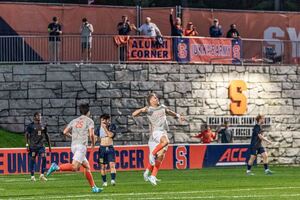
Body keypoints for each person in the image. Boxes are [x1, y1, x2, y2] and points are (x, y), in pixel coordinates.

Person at [46, 104, 102, 193]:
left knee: (87, 166)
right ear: (88, 112)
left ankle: (94, 187)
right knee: (74, 167)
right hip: (81, 146)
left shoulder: (74, 121)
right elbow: (91, 134)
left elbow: (65, 132)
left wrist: (72, 136)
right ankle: (56, 167)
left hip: (74, 146)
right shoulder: (89, 121)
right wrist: (93, 143)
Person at [132, 93, 185, 186]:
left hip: (163, 131)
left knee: (161, 155)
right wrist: (141, 110)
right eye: (154, 98)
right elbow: (134, 114)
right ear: (151, 101)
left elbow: (169, 111)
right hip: (156, 132)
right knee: (165, 142)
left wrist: (178, 115)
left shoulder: (162, 107)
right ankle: (152, 155)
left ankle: (152, 175)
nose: (157, 98)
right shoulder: (149, 109)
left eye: (156, 97)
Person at [25, 112, 51, 182]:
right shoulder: (30, 126)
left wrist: (49, 145)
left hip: (41, 146)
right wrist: (27, 144)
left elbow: (46, 134)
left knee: (44, 157)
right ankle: (32, 176)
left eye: (40, 115)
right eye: (38, 116)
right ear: (34, 117)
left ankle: (42, 175)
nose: (39, 117)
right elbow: (26, 134)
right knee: (32, 160)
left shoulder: (43, 125)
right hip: (33, 146)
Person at [95, 114, 117, 187]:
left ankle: (113, 180)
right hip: (102, 149)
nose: (103, 122)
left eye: (105, 120)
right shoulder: (98, 128)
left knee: (112, 164)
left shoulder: (112, 126)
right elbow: (96, 139)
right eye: (102, 120)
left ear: (108, 120)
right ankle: (104, 182)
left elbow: (111, 135)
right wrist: (94, 138)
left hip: (110, 148)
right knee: (103, 166)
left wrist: (105, 128)